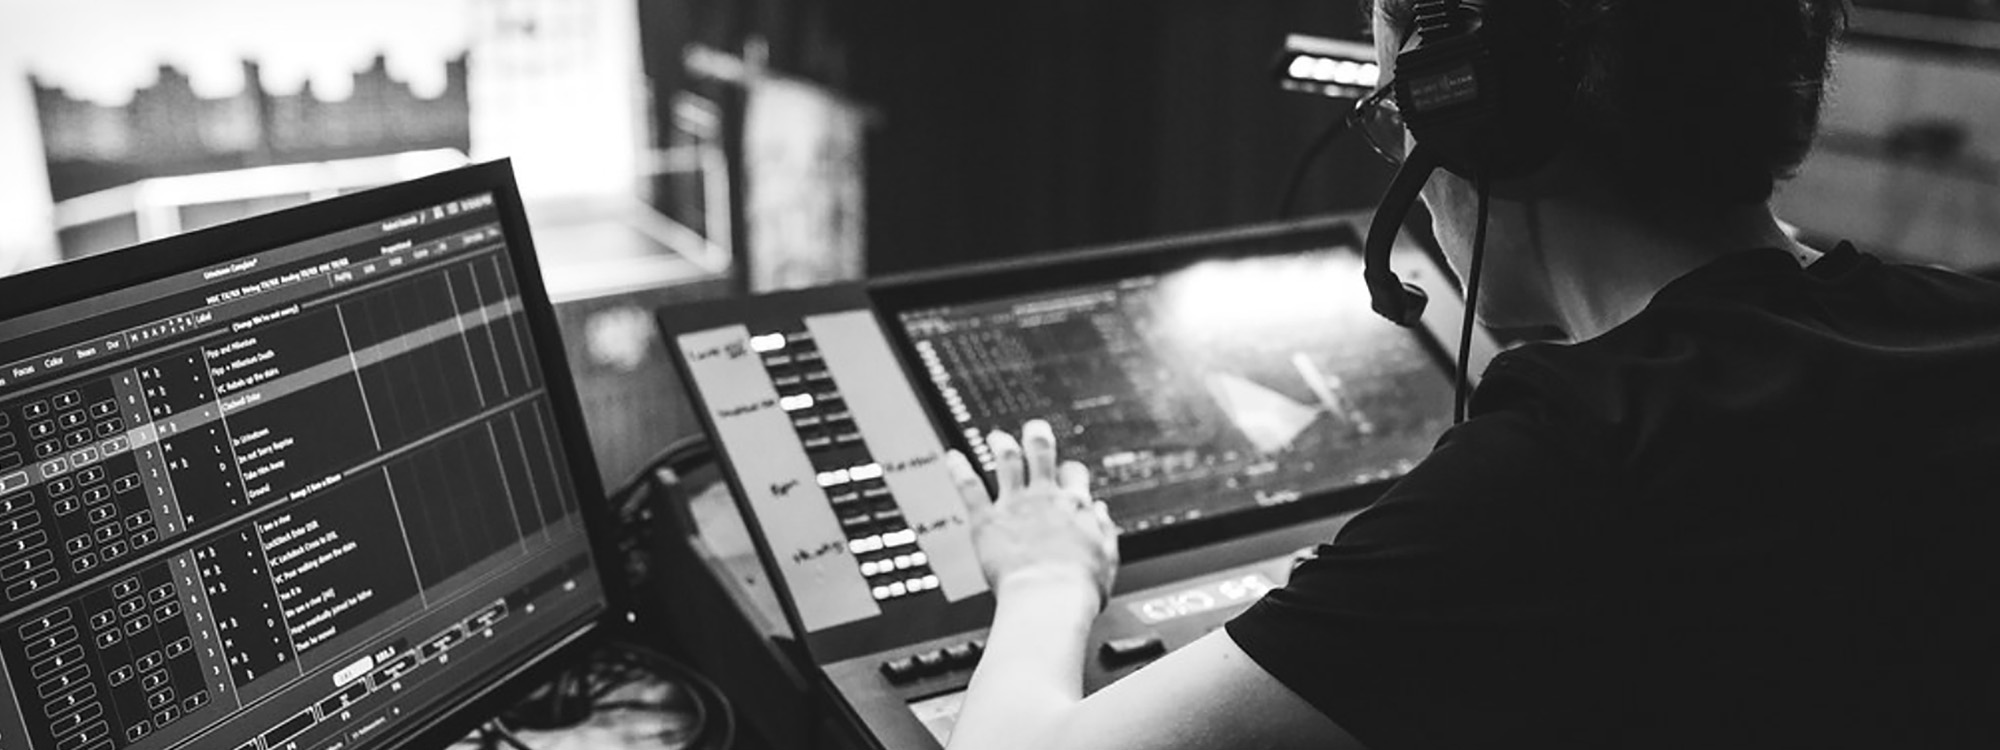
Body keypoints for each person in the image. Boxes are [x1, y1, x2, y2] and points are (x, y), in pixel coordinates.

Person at [939, 0, 2000, 748]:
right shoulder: (1963, 329)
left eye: (1394, 118)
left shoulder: (1569, 476)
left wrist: (1042, 578)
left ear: (1477, 123)